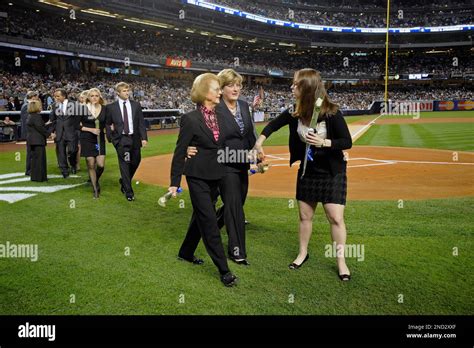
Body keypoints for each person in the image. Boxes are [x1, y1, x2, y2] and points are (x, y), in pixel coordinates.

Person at [254, 68, 353, 281]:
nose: (292, 87)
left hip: (331, 172)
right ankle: (302, 253)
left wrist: (325, 142)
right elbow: (273, 125)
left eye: (296, 84)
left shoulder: (331, 112)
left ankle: (341, 261)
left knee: (335, 217)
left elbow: (347, 142)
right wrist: (259, 142)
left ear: (307, 88)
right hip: (308, 171)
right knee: (305, 216)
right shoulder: (294, 111)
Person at [168, 73, 238, 287]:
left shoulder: (223, 116)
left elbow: (235, 139)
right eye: (216, 88)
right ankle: (224, 270)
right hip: (196, 176)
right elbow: (180, 151)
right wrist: (174, 183)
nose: (220, 91)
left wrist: (251, 156)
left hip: (217, 176)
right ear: (205, 92)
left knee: (200, 217)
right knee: (208, 221)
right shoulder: (190, 119)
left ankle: (185, 252)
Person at [186, 69, 257, 265]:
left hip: (241, 162)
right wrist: (188, 147)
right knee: (234, 208)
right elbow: (197, 131)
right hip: (223, 163)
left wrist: (256, 151)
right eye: (230, 85)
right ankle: (237, 252)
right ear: (221, 89)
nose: (236, 89)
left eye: (239, 85)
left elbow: (248, 134)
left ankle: (199, 235)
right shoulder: (214, 109)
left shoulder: (243, 106)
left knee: (235, 203)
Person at [105, 82, 148, 201]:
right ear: (118, 93)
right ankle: (129, 192)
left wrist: (144, 138)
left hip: (134, 138)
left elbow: (141, 122)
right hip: (121, 140)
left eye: (127, 90)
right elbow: (107, 123)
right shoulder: (111, 107)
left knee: (136, 161)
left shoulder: (136, 105)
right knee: (125, 164)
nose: (127, 92)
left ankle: (124, 180)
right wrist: (112, 139)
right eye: (124, 91)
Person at [78, 88, 107, 199]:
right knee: (91, 164)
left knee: (100, 165)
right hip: (87, 138)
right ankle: (95, 189)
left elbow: (108, 122)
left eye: (96, 95)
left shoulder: (104, 109)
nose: (94, 97)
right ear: (88, 97)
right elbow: (76, 125)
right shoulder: (82, 109)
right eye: (92, 96)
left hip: (99, 140)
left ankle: (95, 179)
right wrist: (91, 130)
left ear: (100, 97)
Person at [49, 88, 82, 178]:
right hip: (59, 133)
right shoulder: (54, 105)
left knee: (73, 150)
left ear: (64, 96)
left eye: (58, 96)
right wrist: (52, 132)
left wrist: (77, 130)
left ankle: (73, 164)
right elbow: (53, 120)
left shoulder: (74, 104)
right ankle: (64, 170)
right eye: (55, 96)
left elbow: (78, 118)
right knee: (60, 152)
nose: (56, 98)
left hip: (71, 132)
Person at [27, 100, 52, 182]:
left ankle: (35, 177)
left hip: (33, 141)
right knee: (40, 160)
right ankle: (40, 178)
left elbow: (39, 126)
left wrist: (47, 124)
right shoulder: (36, 116)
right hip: (38, 141)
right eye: (39, 106)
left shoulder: (31, 116)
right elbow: (40, 128)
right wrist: (50, 134)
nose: (41, 107)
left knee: (35, 160)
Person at [21, 91, 39, 175]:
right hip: (30, 133)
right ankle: (28, 170)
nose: (37, 99)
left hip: (31, 133)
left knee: (32, 152)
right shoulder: (26, 106)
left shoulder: (27, 105)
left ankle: (31, 169)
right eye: (36, 97)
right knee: (30, 153)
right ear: (32, 97)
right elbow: (26, 122)